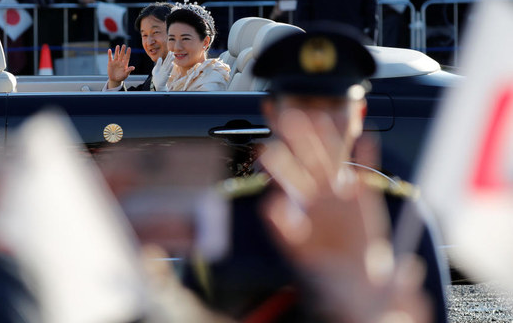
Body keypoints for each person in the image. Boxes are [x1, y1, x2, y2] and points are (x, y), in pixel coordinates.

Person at [183, 23, 448, 322]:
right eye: (304, 105)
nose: (320, 123)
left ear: (360, 113)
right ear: (272, 112)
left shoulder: (401, 214)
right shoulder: (227, 215)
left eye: (336, 106)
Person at [152, 2, 230, 91]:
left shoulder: (212, 80)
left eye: (185, 39)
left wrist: (161, 91)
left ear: (205, 42)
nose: (177, 47)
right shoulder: (172, 72)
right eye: (172, 39)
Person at [105, 2, 172, 91]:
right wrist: (115, 82)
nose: (149, 42)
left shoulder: (187, 73)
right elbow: (135, 102)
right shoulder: (158, 70)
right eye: (144, 35)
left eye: (156, 32)